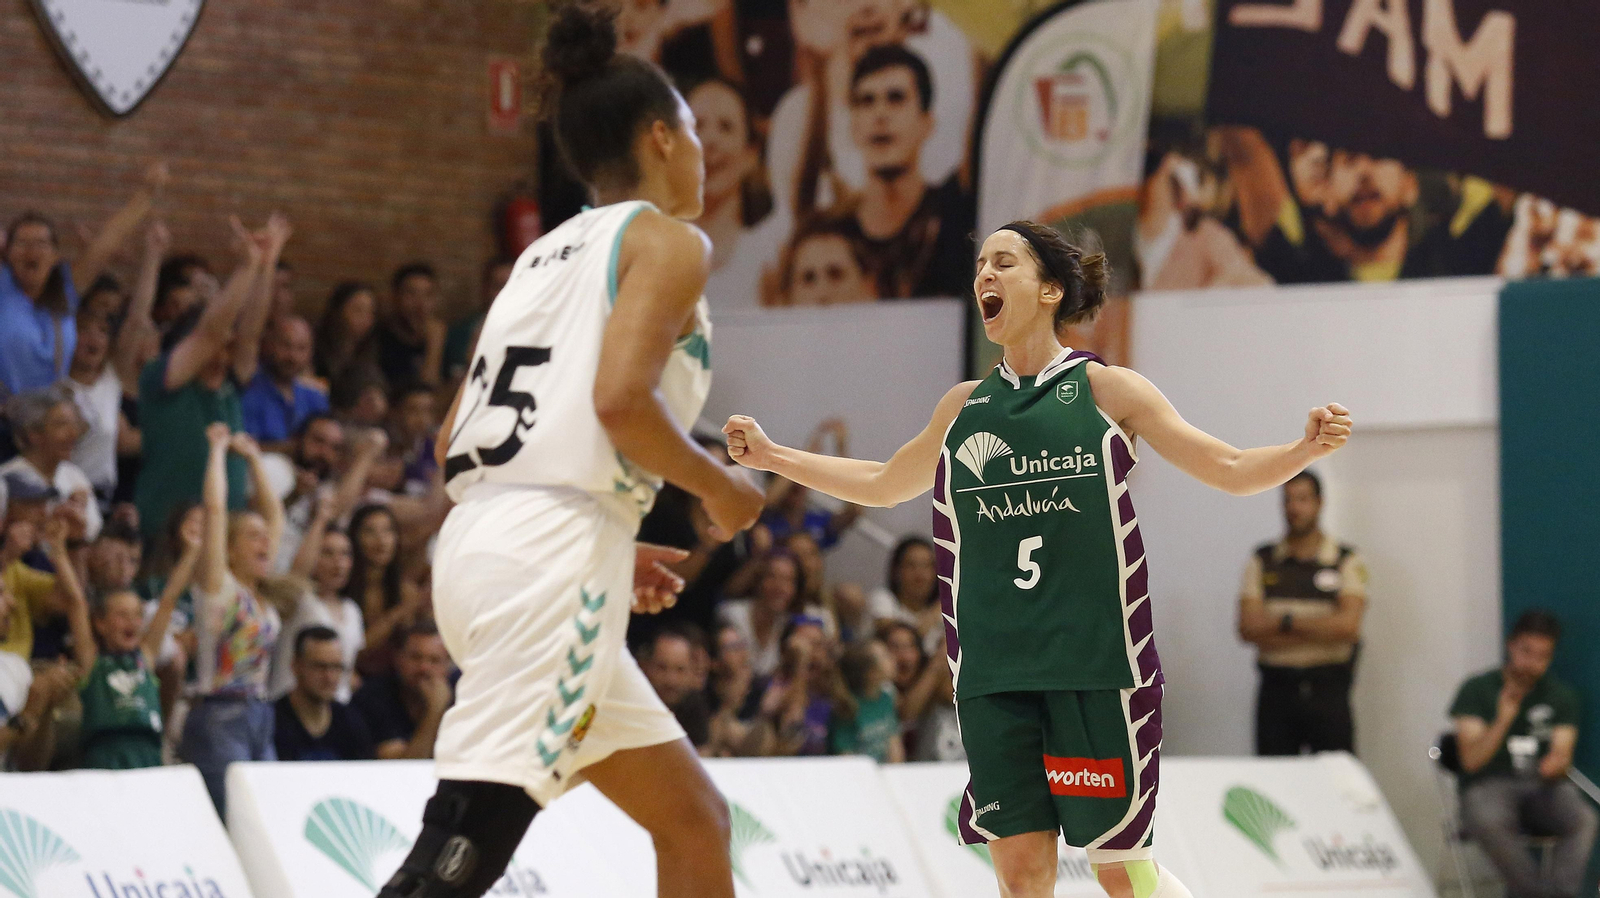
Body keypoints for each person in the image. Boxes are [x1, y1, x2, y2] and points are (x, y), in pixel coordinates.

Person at [724, 219, 1353, 898]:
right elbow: (882, 482)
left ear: (1051, 289)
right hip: (994, 673)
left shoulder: (1108, 391)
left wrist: (1301, 452)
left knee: (1119, 869)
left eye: (1005, 263)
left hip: (1096, 666)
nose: (985, 276)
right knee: (1022, 877)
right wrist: (772, 457)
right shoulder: (964, 408)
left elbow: (1227, 466)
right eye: (980, 267)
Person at [376, 7, 765, 896]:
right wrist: (720, 491)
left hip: (485, 549)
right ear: (663, 137)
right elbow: (620, 403)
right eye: (698, 132)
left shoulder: (539, 259)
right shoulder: (667, 241)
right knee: (455, 858)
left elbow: (452, 440)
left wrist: (611, 539)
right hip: (549, 563)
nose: (705, 152)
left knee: (694, 820)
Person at [133, 214, 288, 544]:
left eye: (227, 347)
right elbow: (210, 333)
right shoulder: (160, 380)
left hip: (220, 540)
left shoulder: (232, 384)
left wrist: (265, 264)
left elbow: (250, 334)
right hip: (165, 535)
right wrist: (246, 268)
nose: (224, 350)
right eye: (218, 346)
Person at [1449, 610, 1596, 898]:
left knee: (1584, 818)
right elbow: (1471, 761)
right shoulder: (1477, 689)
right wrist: (1503, 719)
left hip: (1541, 786)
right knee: (1485, 816)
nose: (1532, 663)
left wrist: (1557, 763)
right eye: (1526, 652)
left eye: (1543, 656)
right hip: (1488, 784)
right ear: (1510, 645)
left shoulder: (1561, 696)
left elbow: (1562, 751)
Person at [180, 423, 285, 814]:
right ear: (231, 549)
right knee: (232, 816)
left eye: (265, 537)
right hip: (218, 714)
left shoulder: (261, 597)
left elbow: (274, 513)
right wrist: (218, 451)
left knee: (264, 817)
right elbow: (215, 510)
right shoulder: (218, 589)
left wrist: (256, 458)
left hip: (260, 712)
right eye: (253, 537)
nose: (265, 543)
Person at [0, 163, 163, 400]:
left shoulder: (65, 288)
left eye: (41, 244)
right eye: (22, 243)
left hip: (50, 422)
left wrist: (146, 194)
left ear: (55, 255)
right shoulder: (4, 287)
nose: (31, 251)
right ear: (8, 253)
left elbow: (107, 242)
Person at [1237, 470, 1368, 756]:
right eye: (1287, 500)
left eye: (1302, 499)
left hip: (1329, 689)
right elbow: (1248, 628)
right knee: (1275, 784)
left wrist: (1282, 622)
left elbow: (1347, 628)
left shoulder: (1345, 559)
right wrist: (1320, 627)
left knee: (1336, 781)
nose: (1294, 508)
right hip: (1276, 690)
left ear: (1319, 503)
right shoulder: (1263, 560)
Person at [65, 505, 197, 769]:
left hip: (148, 758)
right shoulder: (92, 661)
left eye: (137, 615)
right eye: (121, 615)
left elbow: (169, 599)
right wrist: (59, 551)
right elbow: (76, 602)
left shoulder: (145, 657)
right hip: (103, 760)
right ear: (100, 624)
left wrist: (192, 552)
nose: (133, 622)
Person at [838, 43, 974, 299]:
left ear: (927, 123)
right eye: (867, 101)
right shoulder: (832, 234)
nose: (880, 114)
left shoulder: (955, 213)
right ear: (853, 127)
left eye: (896, 98)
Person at [271, 524, 363, 702]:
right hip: (290, 707)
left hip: (335, 712)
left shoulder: (353, 610)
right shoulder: (299, 601)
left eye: (345, 554)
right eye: (327, 553)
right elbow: (297, 575)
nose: (339, 562)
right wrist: (320, 519)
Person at [0, 385, 102, 541]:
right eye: (61, 425)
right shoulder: (6, 478)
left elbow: (93, 533)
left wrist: (78, 524)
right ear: (34, 433)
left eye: (74, 424)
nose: (73, 434)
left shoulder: (75, 476)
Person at [352, 620, 451, 760]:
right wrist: (435, 710)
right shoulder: (372, 697)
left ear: (447, 666)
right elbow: (403, 770)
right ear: (398, 659)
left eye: (434, 660)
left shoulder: (462, 698)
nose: (424, 668)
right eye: (416, 658)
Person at [275, 625, 376, 762]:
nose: (329, 677)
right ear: (296, 666)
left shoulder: (351, 722)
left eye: (336, 667)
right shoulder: (272, 722)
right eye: (319, 667)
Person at [239, 315, 329, 453]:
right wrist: (297, 450)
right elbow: (242, 448)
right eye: (286, 346)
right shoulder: (248, 391)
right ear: (270, 345)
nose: (293, 356)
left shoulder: (316, 397)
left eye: (301, 348)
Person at [640, 623, 712, 750]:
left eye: (680, 670)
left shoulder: (695, 706)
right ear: (647, 667)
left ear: (692, 671)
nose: (671, 680)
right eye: (662, 668)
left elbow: (702, 755)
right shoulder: (634, 704)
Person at [830, 639, 903, 762]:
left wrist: (896, 773)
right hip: (859, 775)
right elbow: (845, 755)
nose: (893, 658)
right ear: (871, 673)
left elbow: (894, 743)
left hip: (885, 774)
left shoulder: (887, 697)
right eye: (885, 656)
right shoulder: (848, 707)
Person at [374, 263, 445, 390]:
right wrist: (434, 345)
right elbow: (425, 389)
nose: (420, 304)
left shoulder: (443, 335)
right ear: (395, 297)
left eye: (428, 295)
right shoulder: (378, 340)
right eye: (411, 294)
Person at [444, 258, 515, 383]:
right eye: (499, 286)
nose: (506, 293)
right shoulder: (461, 332)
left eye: (512, 286)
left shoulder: (539, 330)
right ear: (485, 289)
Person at [868, 534, 942, 652]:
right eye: (911, 565)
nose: (920, 575)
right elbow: (900, 639)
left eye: (926, 566)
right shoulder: (883, 599)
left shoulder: (945, 613)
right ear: (896, 571)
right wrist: (939, 610)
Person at [313, 281, 381, 388]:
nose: (365, 318)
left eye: (370, 312)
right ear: (337, 311)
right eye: (358, 310)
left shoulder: (373, 351)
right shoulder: (315, 349)